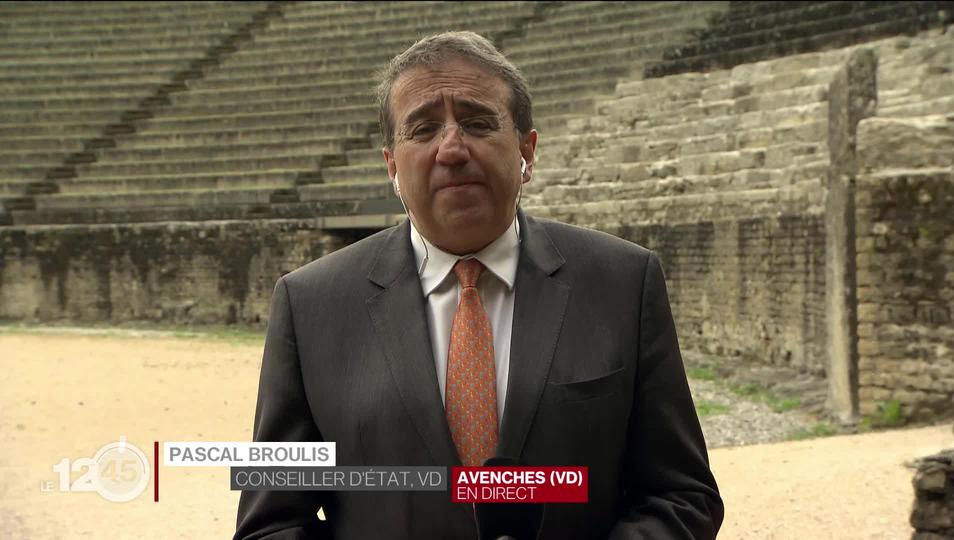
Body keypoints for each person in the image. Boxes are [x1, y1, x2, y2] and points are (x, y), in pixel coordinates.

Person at [235, 31, 723, 539]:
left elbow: (683, 495)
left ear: (526, 149)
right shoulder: (309, 305)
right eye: (423, 128)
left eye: (477, 122)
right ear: (391, 167)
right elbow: (270, 523)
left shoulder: (623, 283)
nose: (452, 148)